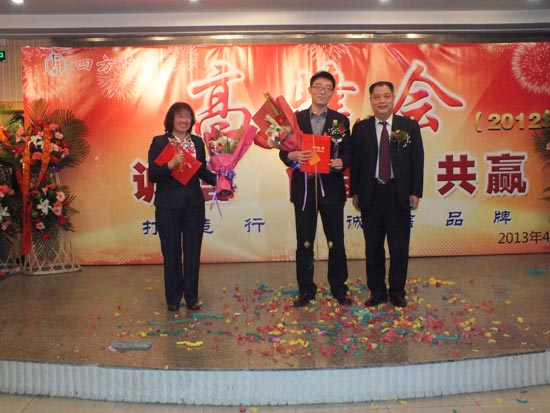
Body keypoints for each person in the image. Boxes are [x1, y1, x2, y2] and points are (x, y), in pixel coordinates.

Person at [279, 70, 352, 307]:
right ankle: (306, 291)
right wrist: (292, 155)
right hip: (304, 191)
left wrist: (343, 162)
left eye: (328, 88)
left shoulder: (340, 121)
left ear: (332, 93)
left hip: (332, 190)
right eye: (318, 87)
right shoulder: (295, 119)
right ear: (310, 90)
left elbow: (349, 151)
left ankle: (339, 289)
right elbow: (283, 151)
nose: (322, 91)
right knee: (305, 243)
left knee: (336, 242)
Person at [350, 81, 424, 308]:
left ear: (393, 99)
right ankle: (377, 292)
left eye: (386, 96)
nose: (382, 101)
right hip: (370, 193)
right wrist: (355, 192)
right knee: (373, 247)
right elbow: (356, 163)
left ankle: (397, 292)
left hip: (397, 193)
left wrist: (415, 191)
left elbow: (417, 160)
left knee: (399, 247)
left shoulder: (408, 126)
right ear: (371, 100)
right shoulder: (360, 129)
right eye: (377, 96)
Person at [148, 102, 217, 312]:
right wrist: (170, 163)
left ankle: (192, 297)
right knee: (171, 253)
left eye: (187, 116)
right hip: (168, 206)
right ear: (171, 119)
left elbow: (201, 171)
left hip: (193, 205)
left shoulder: (197, 142)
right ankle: (173, 298)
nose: (184, 120)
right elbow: (153, 175)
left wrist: (221, 180)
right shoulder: (160, 142)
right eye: (179, 116)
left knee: (193, 253)